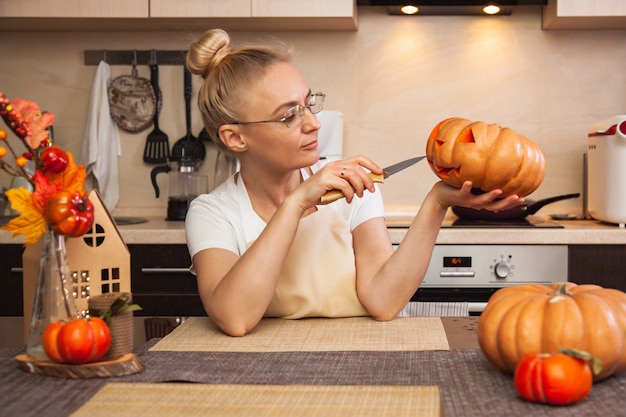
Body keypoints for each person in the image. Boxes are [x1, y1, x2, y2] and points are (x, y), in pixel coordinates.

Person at [184, 29, 524, 337]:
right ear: (235, 138)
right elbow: (235, 318)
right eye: (289, 115)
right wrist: (295, 204)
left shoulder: (349, 185)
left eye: (309, 104)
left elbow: (383, 301)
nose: (314, 124)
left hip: (359, 355)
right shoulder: (212, 213)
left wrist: (437, 203)